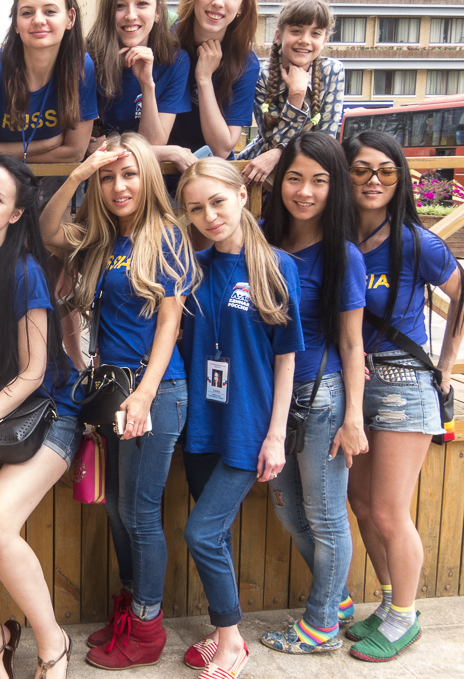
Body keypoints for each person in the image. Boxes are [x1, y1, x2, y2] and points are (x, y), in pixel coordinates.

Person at [40, 133, 196, 670]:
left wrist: (146, 395)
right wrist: (80, 175)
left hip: (155, 391)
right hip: (112, 393)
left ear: (148, 177)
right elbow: (47, 229)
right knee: (115, 509)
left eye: (128, 174)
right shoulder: (101, 240)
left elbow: (170, 323)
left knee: (140, 512)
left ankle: (148, 627)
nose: (118, 186)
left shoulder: (166, 235)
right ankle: (131, 605)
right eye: (108, 177)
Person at [0, 154, 80, 679]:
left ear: (16, 215)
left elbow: (33, 371)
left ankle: (52, 643)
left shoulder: (24, 272)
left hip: (49, 413)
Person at [176, 157, 303, 679]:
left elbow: (286, 355)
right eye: (196, 208)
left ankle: (232, 643)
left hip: (248, 427)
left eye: (217, 202)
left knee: (201, 534)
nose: (209, 215)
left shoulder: (275, 265)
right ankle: (220, 628)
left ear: (242, 197)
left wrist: (275, 435)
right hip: (202, 424)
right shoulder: (191, 268)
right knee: (219, 535)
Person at [343, 131, 464, 662]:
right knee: (362, 503)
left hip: (401, 384)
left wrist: (445, 364)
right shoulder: (336, 236)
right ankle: (392, 602)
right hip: (354, 383)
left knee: (390, 511)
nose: (373, 181)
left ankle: (404, 618)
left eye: (386, 172)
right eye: (362, 170)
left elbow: (460, 293)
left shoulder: (416, 240)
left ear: (400, 180)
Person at [258, 132, 368, 654]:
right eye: (295, 178)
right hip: (268, 397)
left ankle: (321, 623)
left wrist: (355, 419)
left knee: (325, 516)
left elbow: (351, 342)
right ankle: (339, 599)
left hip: (321, 397)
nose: (305, 191)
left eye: (319, 181)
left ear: (334, 187)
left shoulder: (343, 254)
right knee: (287, 510)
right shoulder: (259, 238)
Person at [0, 0, 96, 170]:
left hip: (56, 183)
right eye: (27, 12)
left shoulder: (81, 67)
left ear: (70, 18)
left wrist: (9, 155)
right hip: (0, 182)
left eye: (50, 11)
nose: (38, 20)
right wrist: (48, 144)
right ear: (16, 23)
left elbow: (75, 152)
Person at [86, 0, 191, 168]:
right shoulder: (88, 60)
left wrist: (147, 84)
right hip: (100, 177)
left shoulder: (176, 61)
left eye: (142, 4)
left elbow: (152, 144)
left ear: (158, 11)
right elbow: (92, 147)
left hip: (149, 178)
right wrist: (171, 152)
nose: (131, 15)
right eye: (119, 6)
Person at [239, 0, 344, 186]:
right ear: (278, 35)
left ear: (324, 40)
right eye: (296, 31)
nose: (305, 40)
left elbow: (325, 142)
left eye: (315, 33)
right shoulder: (261, 75)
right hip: (262, 176)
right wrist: (296, 97)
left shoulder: (333, 71)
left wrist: (279, 151)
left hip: (309, 173)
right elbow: (270, 142)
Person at [170, 0, 259, 161]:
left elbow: (222, 149)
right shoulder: (164, 43)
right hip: (156, 170)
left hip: (209, 176)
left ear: (241, 7)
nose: (218, 2)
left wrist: (204, 79)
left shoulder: (245, 62)